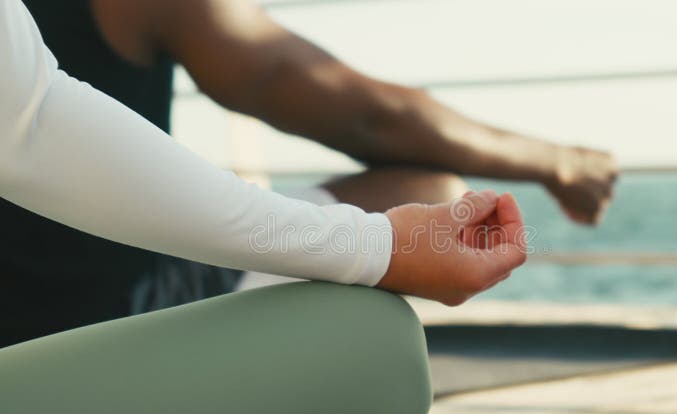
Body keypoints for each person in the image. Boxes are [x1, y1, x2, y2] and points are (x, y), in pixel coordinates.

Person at [0, 1, 527, 414]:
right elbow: (35, 123)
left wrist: (377, 247)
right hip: (89, 339)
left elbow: (32, 122)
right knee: (377, 338)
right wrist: (377, 247)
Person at [2, 0, 616, 346]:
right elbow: (371, 119)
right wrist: (557, 163)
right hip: (102, 322)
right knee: (425, 192)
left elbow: (31, 125)